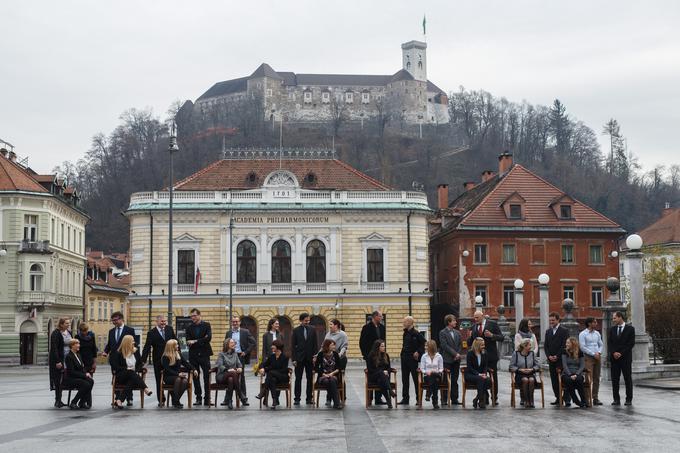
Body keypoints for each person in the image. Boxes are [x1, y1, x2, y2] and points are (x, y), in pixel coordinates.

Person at [469, 310, 503, 405]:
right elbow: (470, 343)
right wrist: (469, 337)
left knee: (493, 377)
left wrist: (492, 335)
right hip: (479, 358)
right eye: (474, 317)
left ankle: (494, 397)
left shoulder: (492, 324)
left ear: (482, 316)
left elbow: (501, 337)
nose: (475, 319)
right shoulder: (474, 327)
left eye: (477, 317)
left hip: (491, 356)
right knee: (481, 377)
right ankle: (484, 396)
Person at [141, 314, 176, 407]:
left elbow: (175, 341)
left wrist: (177, 353)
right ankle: (161, 399)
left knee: (170, 380)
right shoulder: (151, 333)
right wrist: (143, 361)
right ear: (157, 322)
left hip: (170, 359)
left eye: (165, 321)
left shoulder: (170, 329)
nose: (164, 323)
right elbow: (147, 347)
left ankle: (174, 399)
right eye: (162, 321)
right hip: (158, 361)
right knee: (158, 380)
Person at [102, 311, 136, 405]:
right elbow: (110, 344)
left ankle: (129, 398)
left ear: (121, 319)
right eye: (112, 320)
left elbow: (134, 344)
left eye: (115, 320)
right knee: (116, 377)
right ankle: (117, 397)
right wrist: (106, 351)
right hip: (114, 360)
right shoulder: (111, 331)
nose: (114, 322)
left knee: (128, 377)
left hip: (125, 357)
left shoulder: (129, 330)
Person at [110, 335, 152, 409]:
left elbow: (139, 365)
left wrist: (139, 368)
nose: (134, 342)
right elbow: (115, 367)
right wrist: (127, 369)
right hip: (121, 376)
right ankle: (145, 388)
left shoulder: (135, 351)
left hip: (132, 376)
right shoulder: (118, 353)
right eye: (132, 341)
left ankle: (119, 400)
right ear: (127, 342)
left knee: (132, 380)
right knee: (130, 372)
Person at [224, 316, 256, 406]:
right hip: (229, 356)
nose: (235, 323)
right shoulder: (228, 333)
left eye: (236, 322)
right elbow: (225, 344)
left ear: (240, 322)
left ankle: (244, 398)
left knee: (241, 376)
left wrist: (245, 352)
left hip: (240, 356)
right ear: (231, 323)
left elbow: (253, 342)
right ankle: (227, 399)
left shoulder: (245, 332)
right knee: (230, 375)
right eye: (233, 322)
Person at [185, 308, 213, 406]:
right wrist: (201, 340)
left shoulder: (207, 325)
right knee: (196, 377)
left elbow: (208, 338)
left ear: (199, 315)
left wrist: (195, 341)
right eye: (191, 316)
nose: (192, 318)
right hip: (193, 355)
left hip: (205, 354)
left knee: (206, 377)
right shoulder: (189, 328)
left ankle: (207, 398)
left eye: (194, 316)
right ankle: (198, 398)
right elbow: (188, 340)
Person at [359, 310, 387, 405]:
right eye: (380, 316)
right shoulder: (366, 327)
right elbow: (362, 342)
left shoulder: (382, 327)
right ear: (375, 317)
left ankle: (378, 398)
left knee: (380, 373)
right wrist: (365, 355)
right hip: (370, 356)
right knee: (372, 375)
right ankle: (370, 398)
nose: (382, 318)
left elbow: (384, 341)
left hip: (381, 356)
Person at [609, 311, 635, 406]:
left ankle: (629, 399)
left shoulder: (630, 329)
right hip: (614, 359)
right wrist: (614, 353)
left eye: (614, 318)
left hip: (625, 358)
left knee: (627, 379)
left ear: (620, 317)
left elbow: (630, 344)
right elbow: (610, 343)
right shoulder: (612, 329)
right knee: (615, 380)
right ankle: (616, 399)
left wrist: (620, 353)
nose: (613, 320)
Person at [544, 311, 570, 406]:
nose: (551, 322)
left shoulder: (564, 331)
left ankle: (567, 399)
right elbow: (546, 346)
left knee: (565, 379)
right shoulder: (548, 331)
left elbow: (565, 345)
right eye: (550, 320)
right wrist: (549, 356)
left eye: (553, 320)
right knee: (554, 380)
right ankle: (558, 398)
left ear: (558, 320)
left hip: (561, 359)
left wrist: (557, 356)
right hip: (551, 360)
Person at [161, 339, 195, 409]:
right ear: (171, 346)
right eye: (176, 344)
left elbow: (186, 363)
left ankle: (175, 400)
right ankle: (176, 401)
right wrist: (178, 374)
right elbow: (167, 369)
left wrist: (194, 369)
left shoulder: (178, 354)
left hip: (177, 375)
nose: (178, 346)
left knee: (185, 381)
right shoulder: (165, 356)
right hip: (168, 377)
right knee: (178, 380)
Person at [399, 316, 425, 405]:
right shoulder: (405, 333)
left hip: (412, 359)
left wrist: (418, 352)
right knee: (404, 380)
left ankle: (419, 399)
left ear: (410, 323)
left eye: (405, 322)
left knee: (415, 379)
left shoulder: (416, 333)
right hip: (404, 358)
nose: (403, 323)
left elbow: (423, 344)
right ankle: (405, 399)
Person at [292, 312, 317, 405]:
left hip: (310, 358)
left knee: (310, 378)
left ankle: (309, 398)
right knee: (298, 379)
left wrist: (315, 356)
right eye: (306, 320)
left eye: (308, 320)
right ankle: (297, 399)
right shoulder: (295, 330)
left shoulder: (313, 329)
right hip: (299, 359)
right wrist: (294, 359)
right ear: (301, 320)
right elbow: (293, 345)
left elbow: (315, 344)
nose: (307, 322)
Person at [256, 339, 289, 410]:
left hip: (283, 377)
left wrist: (268, 369)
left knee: (270, 373)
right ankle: (274, 401)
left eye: (273, 346)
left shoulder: (285, 357)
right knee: (272, 380)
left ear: (278, 347)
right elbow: (263, 364)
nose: (271, 347)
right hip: (274, 378)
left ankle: (263, 392)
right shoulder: (272, 356)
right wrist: (262, 368)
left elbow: (283, 370)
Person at [63, 338, 94, 410]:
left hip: (78, 377)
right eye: (77, 344)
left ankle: (82, 402)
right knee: (85, 384)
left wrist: (86, 373)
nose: (79, 345)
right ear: (72, 345)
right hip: (71, 378)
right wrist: (84, 375)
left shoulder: (78, 355)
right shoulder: (69, 357)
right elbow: (71, 372)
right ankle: (74, 402)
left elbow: (82, 368)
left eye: (79, 343)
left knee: (90, 381)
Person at [579, 317, 603, 406]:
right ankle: (587, 398)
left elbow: (601, 344)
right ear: (589, 323)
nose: (596, 323)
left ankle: (595, 397)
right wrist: (593, 354)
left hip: (597, 356)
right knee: (588, 378)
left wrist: (599, 352)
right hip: (588, 357)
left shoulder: (597, 333)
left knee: (597, 377)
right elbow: (582, 347)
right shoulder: (583, 334)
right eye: (594, 322)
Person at [509, 338, 540, 408]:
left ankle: (531, 401)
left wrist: (532, 369)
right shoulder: (516, 354)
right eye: (529, 345)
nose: (531, 347)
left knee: (531, 380)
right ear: (524, 346)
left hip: (531, 373)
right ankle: (526, 400)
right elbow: (511, 366)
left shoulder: (532, 354)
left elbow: (538, 365)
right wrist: (520, 370)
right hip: (520, 375)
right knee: (525, 380)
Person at [438, 314, 462, 405]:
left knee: (455, 380)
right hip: (447, 360)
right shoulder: (442, 332)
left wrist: (458, 354)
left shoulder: (458, 333)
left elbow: (460, 345)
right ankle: (444, 399)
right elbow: (444, 346)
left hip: (456, 360)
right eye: (454, 320)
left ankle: (454, 399)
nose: (456, 322)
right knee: (445, 380)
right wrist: (455, 354)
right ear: (449, 322)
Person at [48, 318, 71, 408]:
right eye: (66, 323)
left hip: (67, 359)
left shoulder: (68, 332)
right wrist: (58, 361)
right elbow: (54, 348)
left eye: (69, 323)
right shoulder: (56, 333)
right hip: (59, 359)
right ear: (61, 324)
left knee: (63, 378)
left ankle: (59, 400)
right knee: (58, 379)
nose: (68, 325)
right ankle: (58, 400)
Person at [314, 339, 343, 409]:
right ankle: (337, 403)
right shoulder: (320, 354)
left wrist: (332, 373)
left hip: (333, 375)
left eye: (334, 345)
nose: (334, 346)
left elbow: (339, 367)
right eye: (332, 345)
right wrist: (324, 374)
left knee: (332, 380)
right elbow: (316, 368)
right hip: (323, 376)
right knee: (328, 381)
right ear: (327, 346)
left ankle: (333, 401)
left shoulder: (336, 354)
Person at [366, 340, 395, 409]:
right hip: (373, 376)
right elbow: (370, 369)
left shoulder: (386, 355)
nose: (384, 347)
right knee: (381, 373)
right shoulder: (371, 355)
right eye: (382, 346)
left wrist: (386, 371)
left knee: (381, 381)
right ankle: (390, 391)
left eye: (384, 346)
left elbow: (389, 367)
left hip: (383, 378)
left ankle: (388, 401)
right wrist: (381, 372)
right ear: (377, 347)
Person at [464, 337, 491, 409]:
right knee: (481, 379)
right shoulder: (470, 353)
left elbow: (485, 366)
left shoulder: (485, 353)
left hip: (481, 375)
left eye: (484, 345)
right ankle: (481, 401)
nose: (483, 346)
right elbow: (469, 367)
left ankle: (476, 399)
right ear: (477, 345)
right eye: (482, 345)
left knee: (488, 380)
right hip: (470, 374)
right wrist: (479, 374)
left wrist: (484, 374)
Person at [215, 338, 243, 409]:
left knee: (231, 379)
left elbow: (239, 364)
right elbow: (220, 365)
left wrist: (240, 368)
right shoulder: (221, 354)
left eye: (234, 342)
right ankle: (240, 394)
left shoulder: (235, 354)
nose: (234, 344)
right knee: (233, 373)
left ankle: (229, 401)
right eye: (232, 343)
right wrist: (228, 370)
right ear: (227, 344)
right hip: (222, 376)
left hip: (231, 377)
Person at [561, 337, 587, 408]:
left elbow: (582, 365)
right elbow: (564, 365)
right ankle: (576, 400)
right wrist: (570, 375)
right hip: (566, 373)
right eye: (566, 342)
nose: (566, 344)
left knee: (579, 380)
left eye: (568, 343)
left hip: (577, 373)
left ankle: (583, 400)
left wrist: (576, 374)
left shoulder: (580, 352)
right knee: (569, 381)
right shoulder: (564, 351)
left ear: (573, 344)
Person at [419, 340, 444, 409]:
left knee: (434, 377)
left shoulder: (439, 356)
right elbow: (422, 368)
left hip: (437, 375)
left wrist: (436, 372)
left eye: (427, 346)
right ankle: (435, 402)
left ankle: (428, 393)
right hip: (427, 376)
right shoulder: (424, 356)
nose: (425, 347)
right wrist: (426, 372)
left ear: (431, 347)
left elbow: (441, 368)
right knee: (434, 381)